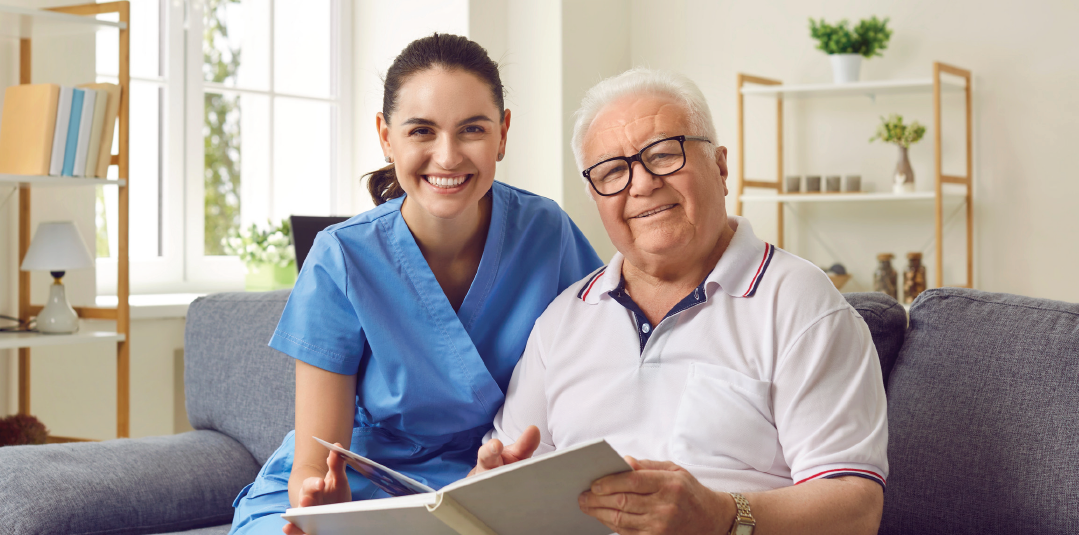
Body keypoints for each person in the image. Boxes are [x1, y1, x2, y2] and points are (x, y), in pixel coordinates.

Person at [473, 68, 888, 535]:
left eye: (664, 154)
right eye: (612, 171)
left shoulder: (799, 303)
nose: (642, 184)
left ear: (721, 167)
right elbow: (503, 474)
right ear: (594, 196)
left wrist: (724, 517)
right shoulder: (563, 318)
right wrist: (490, 488)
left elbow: (856, 507)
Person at [227, 34, 603, 535]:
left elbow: (599, 367)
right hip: (358, 481)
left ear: (503, 133)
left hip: (486, 481)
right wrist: (323, 506)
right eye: (421, 130)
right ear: (386, 136)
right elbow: (314, 466)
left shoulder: (547, 233)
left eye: (472, 129)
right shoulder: (341, 257)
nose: (447, 157)